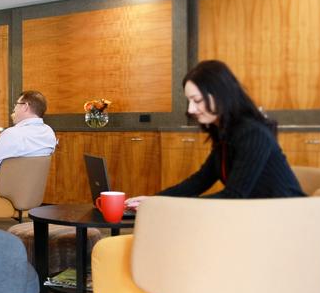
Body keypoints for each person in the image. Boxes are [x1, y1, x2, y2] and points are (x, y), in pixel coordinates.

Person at [126, 59, 304, 209]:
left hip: (286, 220)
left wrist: (168, 206)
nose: (191, 109)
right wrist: (155, 201)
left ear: (220, 96)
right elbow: (200, 181)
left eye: (197, 100)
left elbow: (233, 196)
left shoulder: (253, 133)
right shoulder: (226, 134)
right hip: (260, 216)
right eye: (189, 101)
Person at [0, 90, 56, 179]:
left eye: (16, 104)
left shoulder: (13, 134)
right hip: (32, 185)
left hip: (4, 184)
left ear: (25, 107)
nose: (14, 109)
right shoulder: (49, 133)